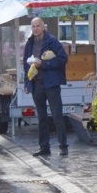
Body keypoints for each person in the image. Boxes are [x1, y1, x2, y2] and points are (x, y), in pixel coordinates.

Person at [23, 18, 70, 157]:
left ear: (43, 27)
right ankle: (44, 148)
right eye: (33, 26)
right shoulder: (30, 43)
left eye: (38, 26)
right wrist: (27, 82)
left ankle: (63, 146)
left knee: (57, 116)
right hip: (36, 84)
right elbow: (26, 65)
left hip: (51, 83)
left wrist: (43, 64)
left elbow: (63, 59)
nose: (36, 28)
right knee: (42, 117)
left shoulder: (52, 41)